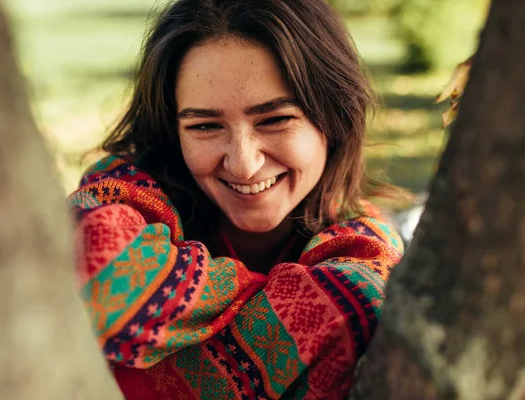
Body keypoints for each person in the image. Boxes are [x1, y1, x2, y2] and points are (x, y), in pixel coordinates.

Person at [68, 0, 405, 398]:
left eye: (276, 119)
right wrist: (297, 309)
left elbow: (360, 296)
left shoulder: (365, 252)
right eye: (206, 126)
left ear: (333, 116)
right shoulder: (119, 194)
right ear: (172, 130)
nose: (244, 164)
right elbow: (104, 272)